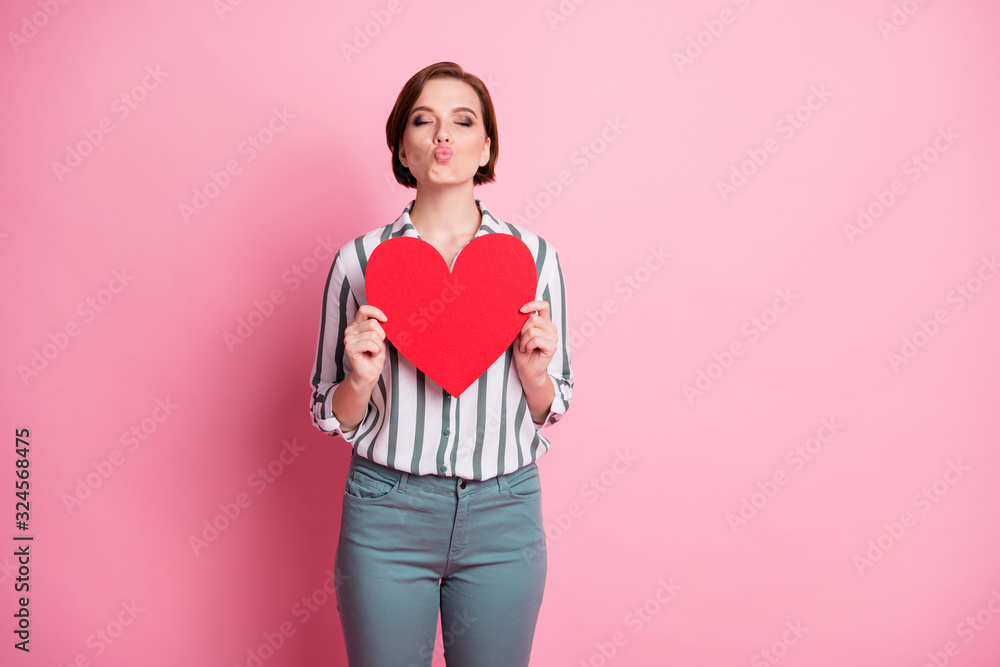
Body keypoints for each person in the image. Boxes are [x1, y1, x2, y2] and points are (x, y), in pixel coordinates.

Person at [309, 61, 575, 667]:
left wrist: (535, 375)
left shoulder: (534, 258)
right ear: (402, 145)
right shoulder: (358, 261)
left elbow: (553, 402)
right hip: (386, 516)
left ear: (487, 147)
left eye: (462, 121)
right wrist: (359, 379)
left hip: (504, 514)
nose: (442, 136)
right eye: (423, 121)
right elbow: (329, 412)